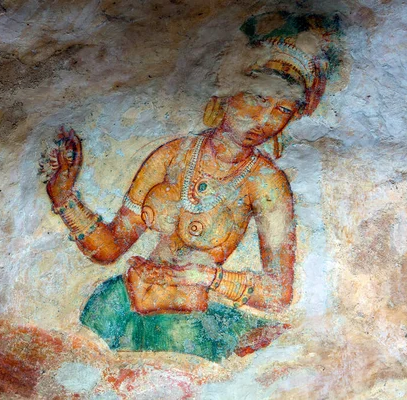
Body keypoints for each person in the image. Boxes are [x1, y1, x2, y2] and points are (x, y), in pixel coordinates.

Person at [41, 12, 341, 362]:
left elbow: (278, 293)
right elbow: (110, 248)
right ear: (229, 90)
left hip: (189, 326)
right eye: (258, 98)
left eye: (283, 109)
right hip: (117, 306)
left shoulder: (266, 182)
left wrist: (206, 277)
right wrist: (64, 197)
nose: (266, 120)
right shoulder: (173, 156)